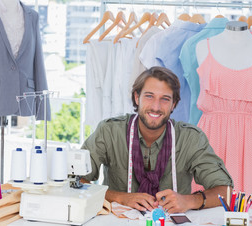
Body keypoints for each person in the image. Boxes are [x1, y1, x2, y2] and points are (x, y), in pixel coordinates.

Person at [81, 66, 233, 213]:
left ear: (174, 104)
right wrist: (120, 197)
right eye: (149, 96)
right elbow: (75, 181)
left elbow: (225, 191)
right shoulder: (109, 132)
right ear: (136, 97)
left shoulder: (191, 138)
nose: (156, 106)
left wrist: (190, 201)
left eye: (165, 99)